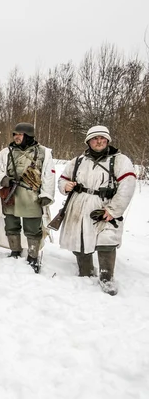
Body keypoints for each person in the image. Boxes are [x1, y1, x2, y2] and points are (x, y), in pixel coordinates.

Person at [57, 125, 136, 295]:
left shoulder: (120, 160)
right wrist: (66, 185)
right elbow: (62, 179)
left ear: (107, 140)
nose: (99, 141)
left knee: (106, 240)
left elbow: (127, 186)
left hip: (104, 206)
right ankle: (85, 270)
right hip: (78, 204)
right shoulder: (77, 161)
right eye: (95, 138)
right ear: (88, 141)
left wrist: (114, 209)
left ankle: (106, 277)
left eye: (102, 138)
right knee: (78, 238)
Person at [0, 122, 55, 273]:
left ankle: (33, 256)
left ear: (28, 136)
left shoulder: (43, 152)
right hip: (10, 193)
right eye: (15, 134)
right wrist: (2, 178)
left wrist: (46, 194)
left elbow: (49, 174)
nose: (16, 137)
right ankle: (15, 251)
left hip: (31, 195)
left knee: (32, 228)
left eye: (20, 134)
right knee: (11, 224)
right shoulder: (6, 152)